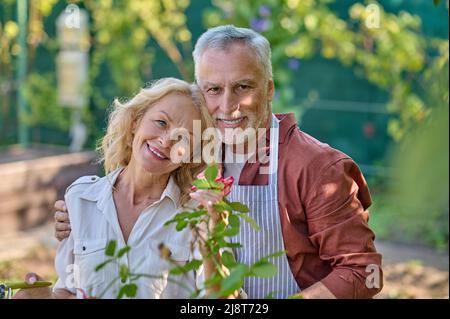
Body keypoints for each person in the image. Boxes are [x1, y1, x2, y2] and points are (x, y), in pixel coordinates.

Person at [55, 25, 383, 298]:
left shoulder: (315, 167)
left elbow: (366, 272)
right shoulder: (195, 151)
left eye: (243, 87)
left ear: (269, 90)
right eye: (214, 89)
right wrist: (81, 216)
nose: (228, 106)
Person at [14, 78, 220, 299]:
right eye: (161, 122)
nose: (166, 140)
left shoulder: (196, 217)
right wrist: (40, 295)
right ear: (135, 122)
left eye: (184, 138)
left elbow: (217, 296)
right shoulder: (80, 199)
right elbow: (66, 288)